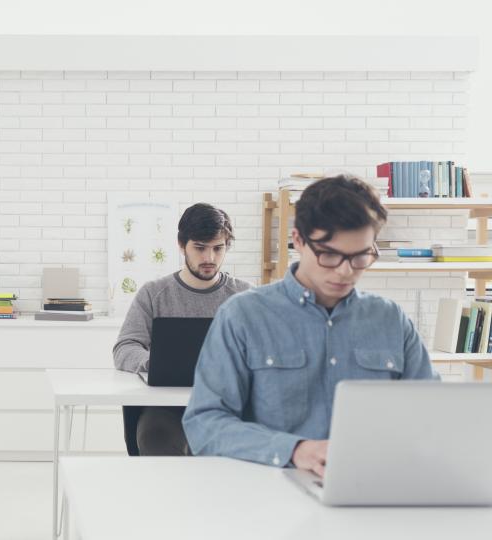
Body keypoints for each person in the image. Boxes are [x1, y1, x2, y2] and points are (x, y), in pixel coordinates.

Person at [183, 175, 438, 477]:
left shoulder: (390, 319)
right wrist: (295, 450)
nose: (346, 272)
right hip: (268, 493)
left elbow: (431, 415)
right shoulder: (243, 316)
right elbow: (205, 423)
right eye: (329, 254)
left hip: (374, 487)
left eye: (360, 256)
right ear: (299, 240)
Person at [113, 203, 253, 455]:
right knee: (155, 436)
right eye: (200, 248)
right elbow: (125, 347)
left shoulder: (245, 295)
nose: (209, 258)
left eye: (218, 249)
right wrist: (156, 363)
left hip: (228, 404)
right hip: (166, 408)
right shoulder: (154, 294)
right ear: (181, 245)